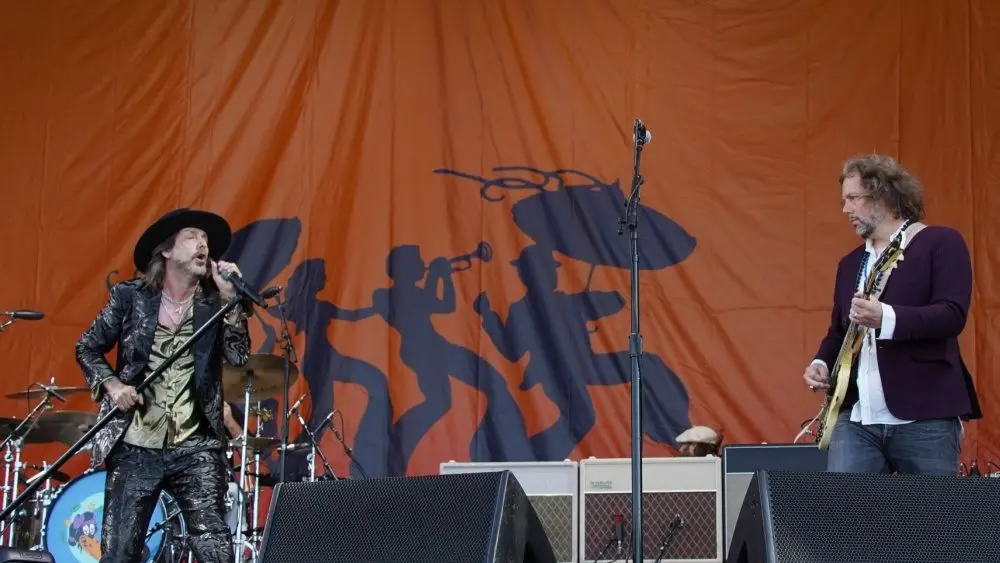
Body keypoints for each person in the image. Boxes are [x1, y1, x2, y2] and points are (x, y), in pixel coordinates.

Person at [76, 208, 252, 562]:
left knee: (213, 545)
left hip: (195, 444)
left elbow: (239, 357)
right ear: (167, 252)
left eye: (205, 240)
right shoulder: (131, 296)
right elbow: (88, 347)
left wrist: (231, 300)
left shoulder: (214, 301)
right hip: (135, 444)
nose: (203, 244)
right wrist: (112, 386)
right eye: (192, 237)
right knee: (119, 551)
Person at [802, 155, 981, 475]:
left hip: (925, 416)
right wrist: (821, 362)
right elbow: (838, 331)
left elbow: (952, 315)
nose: (845, 209)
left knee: (932, 522)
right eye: (843, 200)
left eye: (853, 198)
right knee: (844, 519)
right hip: (857, 420)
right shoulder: (849, 264)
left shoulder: (940, 242)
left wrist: (886, 317)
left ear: (883, 195)